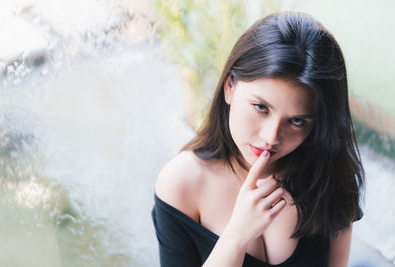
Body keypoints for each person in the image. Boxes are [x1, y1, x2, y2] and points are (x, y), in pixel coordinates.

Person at [152, 11, 364, 267]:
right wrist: (236, 237)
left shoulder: (328, 175)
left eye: (297, 121)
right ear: (230, 86)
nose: (271, 137)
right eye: (260, 107)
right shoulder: (182, 183)